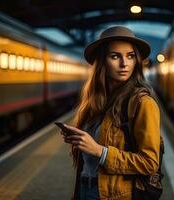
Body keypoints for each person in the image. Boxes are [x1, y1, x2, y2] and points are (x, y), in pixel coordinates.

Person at [62, 26, 161, 200]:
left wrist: (101, 152)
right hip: (85, 189)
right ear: (102, 62)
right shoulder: (94, 104)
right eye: (115, 56)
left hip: (115, 195)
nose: (124, 63)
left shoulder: (142, 103)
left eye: (130, 56)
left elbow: (150, 163)